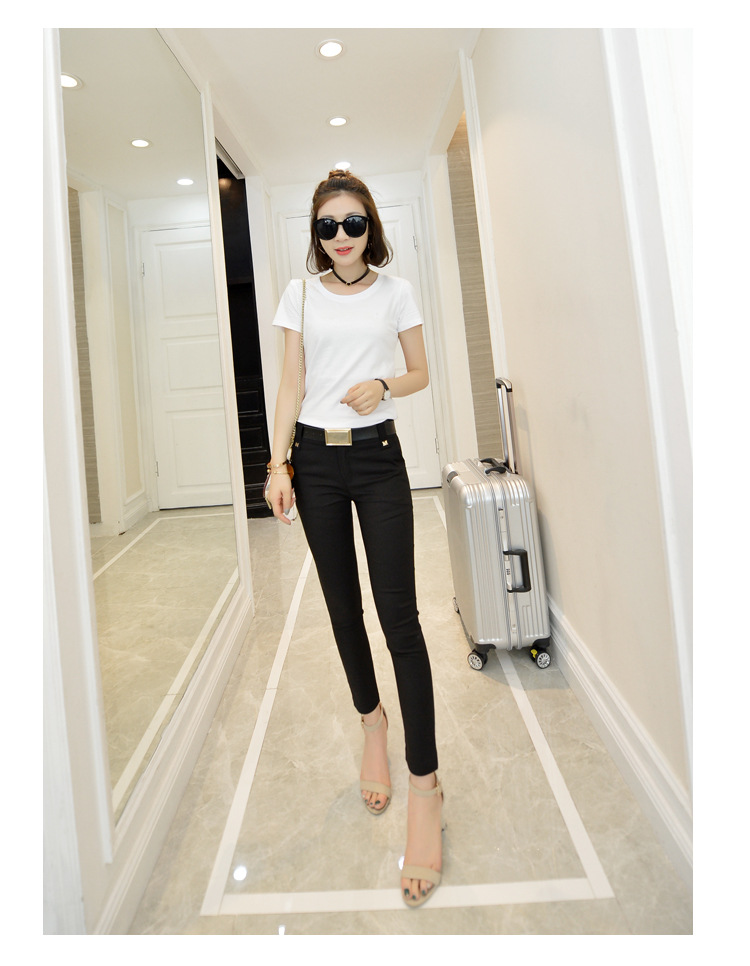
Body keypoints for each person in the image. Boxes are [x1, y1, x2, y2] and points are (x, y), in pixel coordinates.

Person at [266, 170, 443, 908]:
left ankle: (425, 787)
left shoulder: (396, 292)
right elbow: (290, 383)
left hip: (377, 461)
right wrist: (277, 464)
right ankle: (373, 723)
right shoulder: (300, 295)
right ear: (316, 235)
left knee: (399, 618)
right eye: (328, 226)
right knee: (343, 611)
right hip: (314, 461)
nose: (341, 236)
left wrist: (384, 385)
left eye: (353, 223)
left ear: (371, 226)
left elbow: (421, 372)